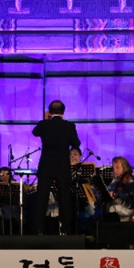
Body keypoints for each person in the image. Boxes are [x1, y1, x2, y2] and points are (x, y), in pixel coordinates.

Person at [32, 100, 81, 235]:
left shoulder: (43, 124)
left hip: (46, 166)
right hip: (62, 166)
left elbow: (35, 132)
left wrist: (45, 120)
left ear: (49, 112)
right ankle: (66, 229)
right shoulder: (69, 126)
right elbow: (76, 143)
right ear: (63, 113)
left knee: (42, 198)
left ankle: (39, 229)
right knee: (64, 198)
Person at [103, 156, 134, 222]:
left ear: (124, 168)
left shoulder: (130, 180)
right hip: (119, 204)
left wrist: (115, 195)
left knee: (110, 208)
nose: (115, 171)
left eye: (117, 168)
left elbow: (129, 199)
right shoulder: (117, 179)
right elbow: (109, 189)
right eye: (114, 168)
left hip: (128, 208)